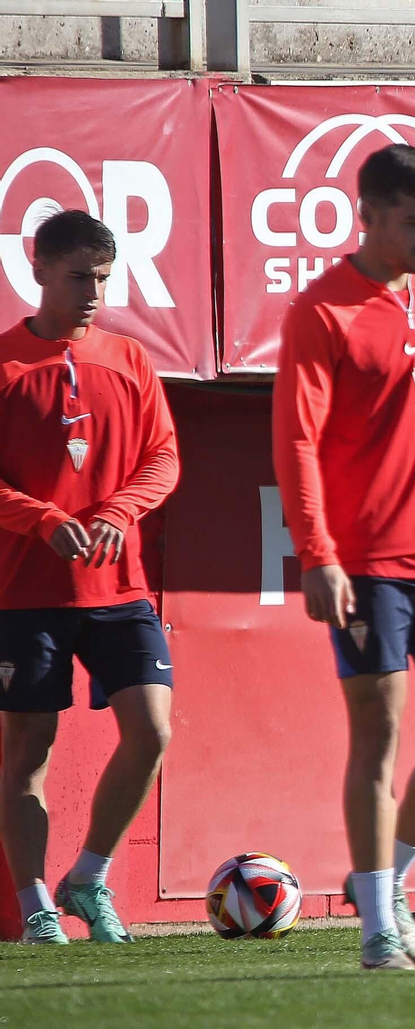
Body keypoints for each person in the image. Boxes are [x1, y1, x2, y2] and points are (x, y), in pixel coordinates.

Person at [272, 144, 415, 970]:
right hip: (365, 561)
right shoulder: (321, 310)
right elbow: (296, 440)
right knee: (379, 734)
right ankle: (377, 927)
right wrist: (317, 554)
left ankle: (386, 878)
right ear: (367, 215)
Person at [0, 209, 178, 945]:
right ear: (36, 268)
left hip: (120, 586)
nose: (94, 291)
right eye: (79, 277)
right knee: (29, 744)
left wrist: (119, 510)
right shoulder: (6, 362)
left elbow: (163, 458)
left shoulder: (130, 359)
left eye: (103, 277)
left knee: (153, 730)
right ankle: (37, 901)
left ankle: (88, 875)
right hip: (25, 592)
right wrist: (42, 518)